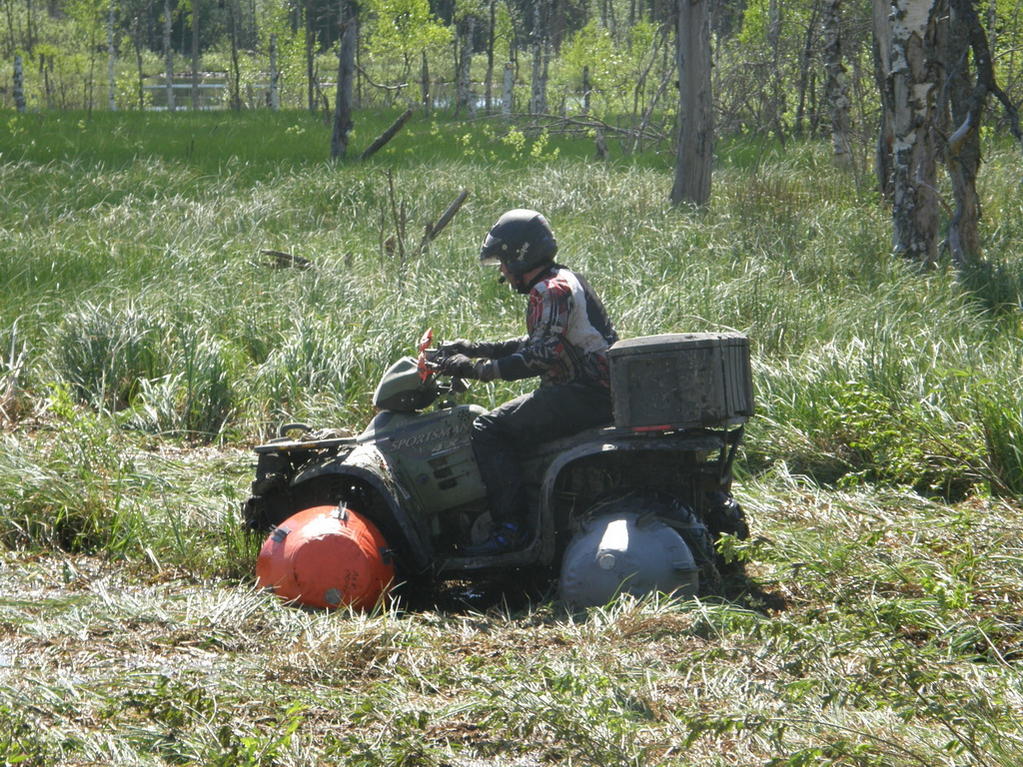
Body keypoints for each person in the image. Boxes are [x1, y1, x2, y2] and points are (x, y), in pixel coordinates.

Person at [434, 209, 619, 555]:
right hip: (593, 390)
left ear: (520, 256)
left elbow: (539, 358)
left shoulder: (551, 291)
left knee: (488, 428)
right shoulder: (560, 282)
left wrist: (474, 370)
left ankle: (509, 531)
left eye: (503, 262)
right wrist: (472, 349)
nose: (503, 273)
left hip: (587, 393)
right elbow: (537, 343)